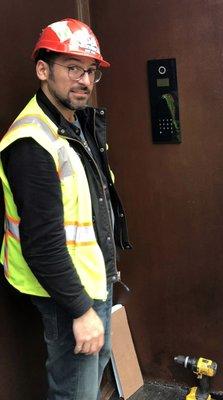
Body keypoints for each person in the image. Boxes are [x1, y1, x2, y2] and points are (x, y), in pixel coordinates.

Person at [0, 19, 132, 400]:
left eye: (91, 71)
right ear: (43, 70)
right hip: (66, 293)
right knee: (76, 389)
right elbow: (41, 245)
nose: (85, 81)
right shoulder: (30, 143)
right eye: (73, 68)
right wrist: (79, 311)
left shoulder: (73, 123)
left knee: (91, 372)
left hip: (91, 280)